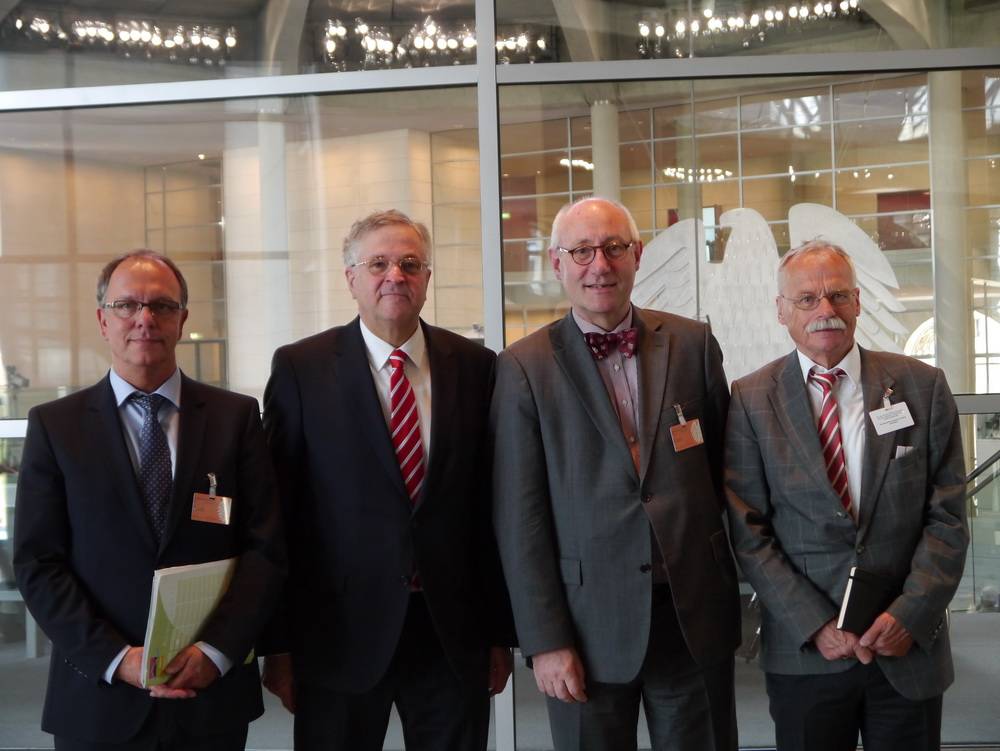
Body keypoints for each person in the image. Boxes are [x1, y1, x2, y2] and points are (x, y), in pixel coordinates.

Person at [491, 197, 740, 751]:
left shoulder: (693, 344)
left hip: (690, 616)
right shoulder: (523, 367)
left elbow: (726, 474)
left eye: (613, 248)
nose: (598, 264)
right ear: (557, 264)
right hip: (585, 629)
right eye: (581, 251)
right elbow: (519, 518)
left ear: (637, 256)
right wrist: (545, 640)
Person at [261, 209, 514, 751]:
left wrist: (499, 633)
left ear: (427, 278)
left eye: (409, 263)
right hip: (338, 636)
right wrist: (278, 645)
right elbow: (279, 515)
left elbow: (489, 511)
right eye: (377, 263)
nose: (394, 275)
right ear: (351, 277)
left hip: (451, 633)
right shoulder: (300, 369)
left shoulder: (477, 366)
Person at [13, 250, 286, 750]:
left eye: (162, 306)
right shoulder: (56, 426)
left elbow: (265, 549)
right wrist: (118, 659)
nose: (144, 319)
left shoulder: (236, 418)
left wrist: (217, 651)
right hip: (99, 693)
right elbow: (38, 562)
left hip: (211, 694)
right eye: (126, 305)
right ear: (102, 320)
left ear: (183, 319)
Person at [725, 240, 969, 751]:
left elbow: (947, 517)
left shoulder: (920, 387)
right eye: (807, 299)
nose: (825, 311)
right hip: (806, 655)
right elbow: (748, 531)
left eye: (838, 295)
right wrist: (813, 624)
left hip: (906, 646)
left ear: (858, 302)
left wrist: (909, 614)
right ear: (781, 310)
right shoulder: (750, 399)